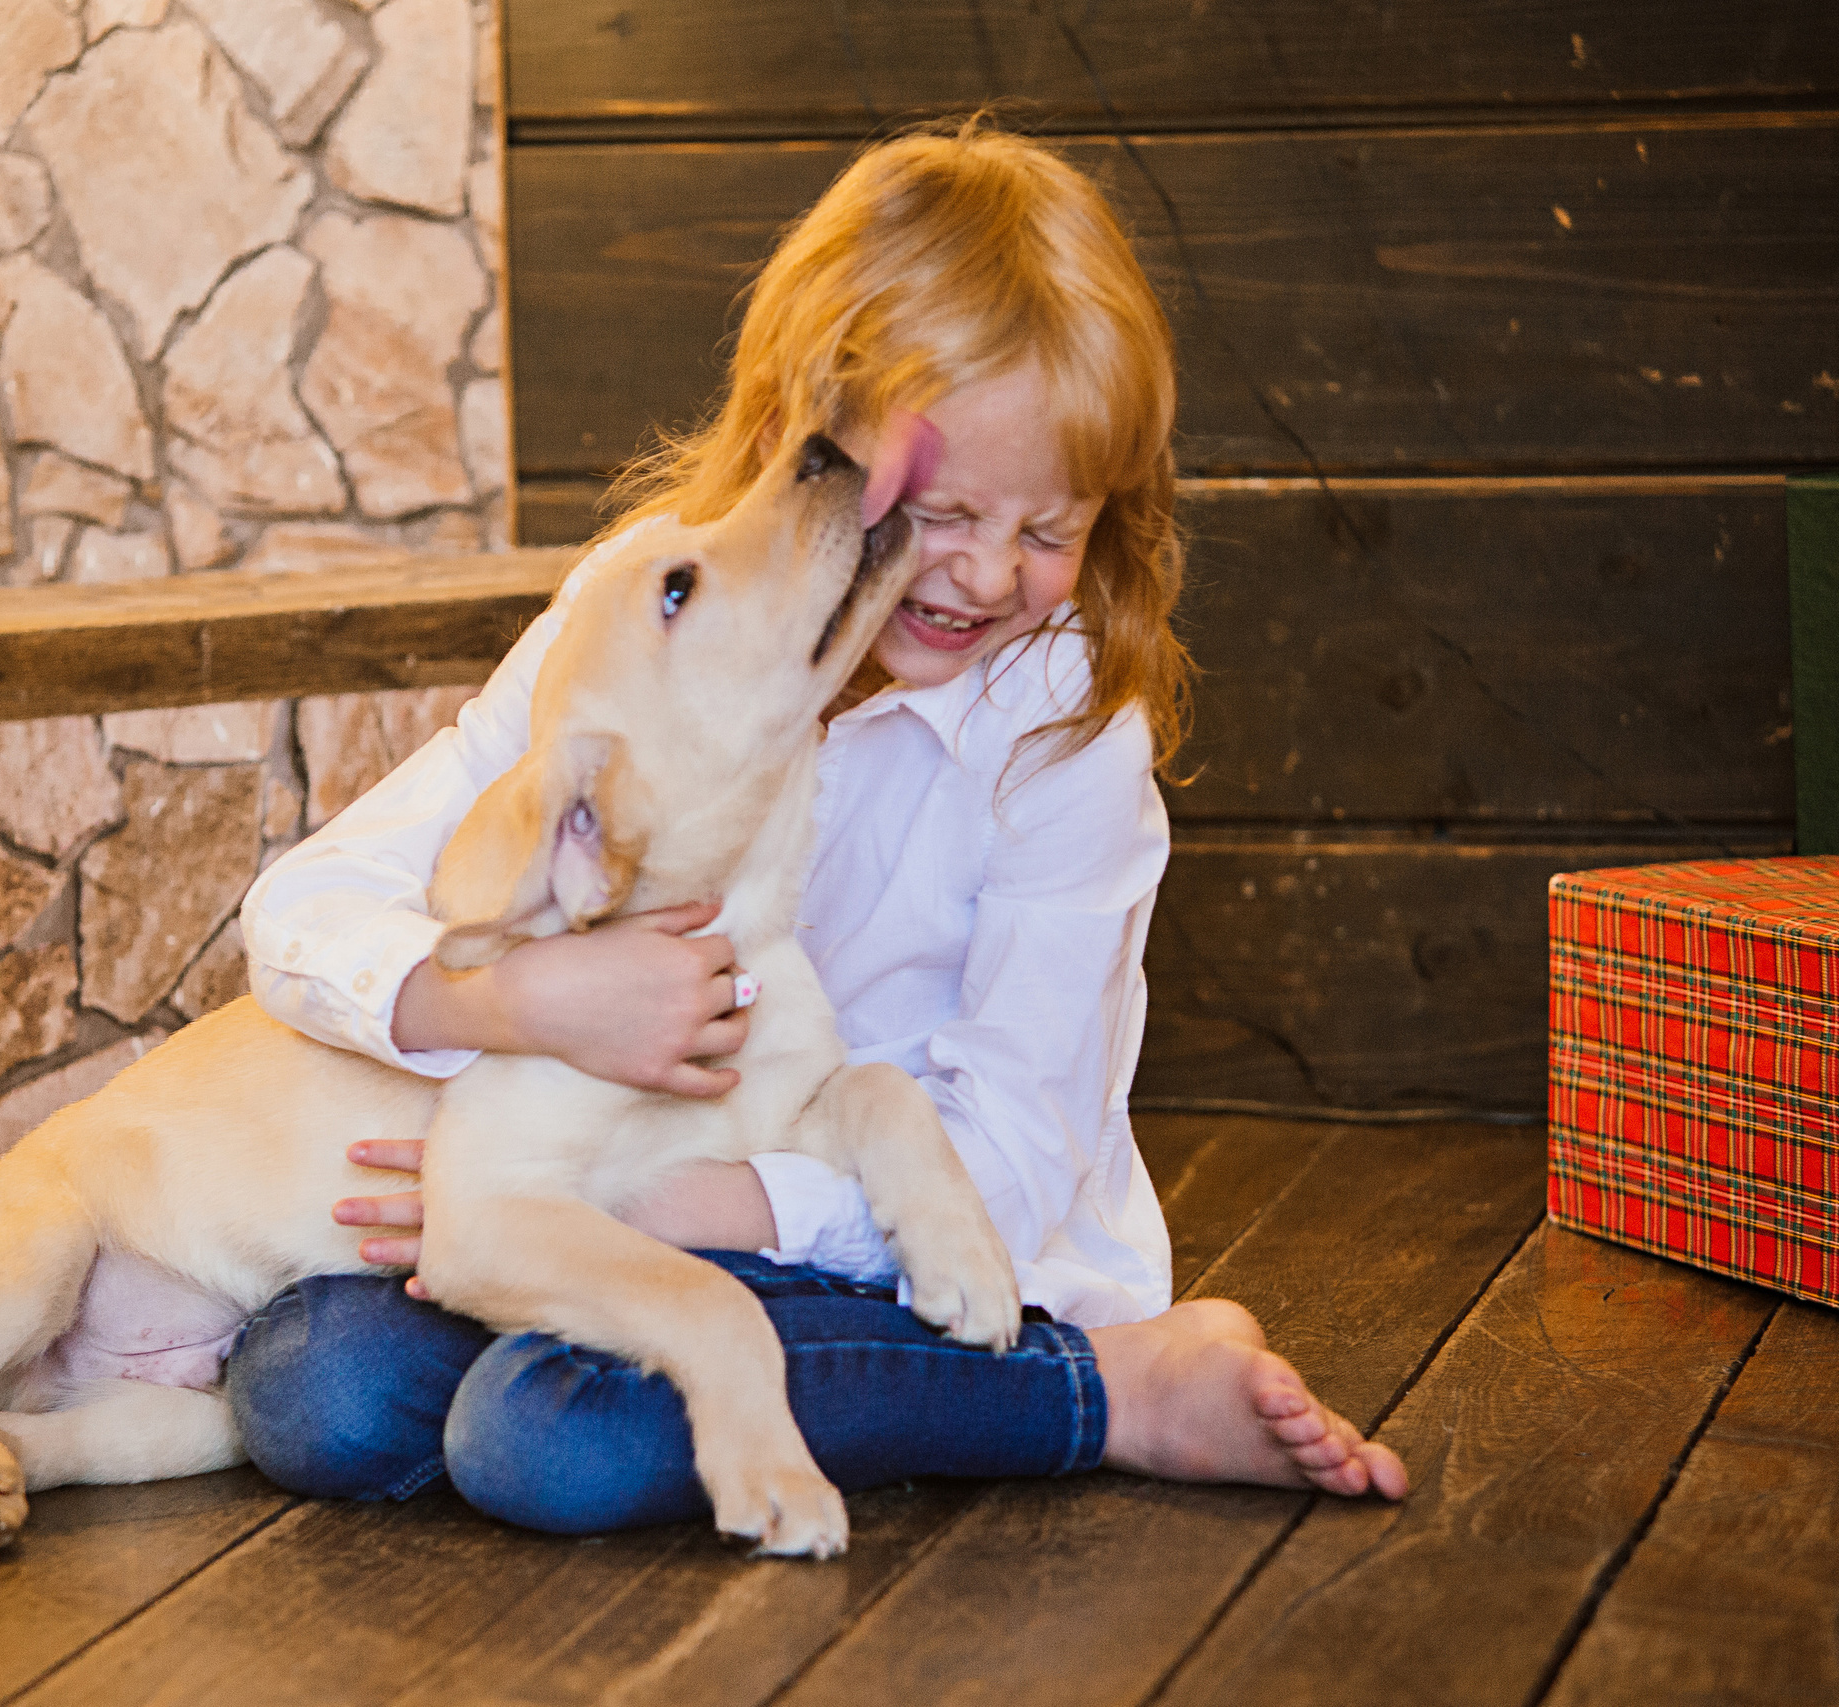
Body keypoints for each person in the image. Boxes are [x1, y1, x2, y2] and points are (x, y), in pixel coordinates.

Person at [227, 119, 1406, 1534]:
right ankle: (698, 1375)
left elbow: (1016, 1164)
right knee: (316, 1380)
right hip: (618, 1214)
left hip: (903, 1245)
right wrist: (512, 1000)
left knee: (555, 1434)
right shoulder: (650, 605)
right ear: (818, 435)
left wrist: (669, 1213)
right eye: (949, 508)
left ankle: (1110, 1388)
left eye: (1051, 530)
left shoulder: (1061, 733)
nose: (984, 573)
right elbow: (311, 904)